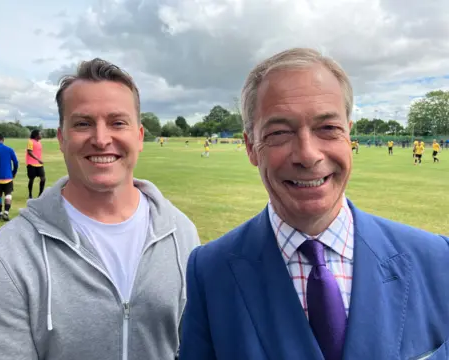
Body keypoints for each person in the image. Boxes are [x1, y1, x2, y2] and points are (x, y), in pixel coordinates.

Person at [179, 48, 449, 360]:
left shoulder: (438, 258)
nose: (308, 155)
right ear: (251, 147)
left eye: (327, 128)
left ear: (348, 135)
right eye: (279, 132)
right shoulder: (210, 272)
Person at [0, 58, 200, 360]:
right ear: (62, 138)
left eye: (118, 122)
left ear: (140, 136)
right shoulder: (10, 256)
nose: (101, 139)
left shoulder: (181, 234)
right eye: (83, 123)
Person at [26, 129, 46, 198]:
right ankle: (30, 194)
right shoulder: (30, 141)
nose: (41, 135)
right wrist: (38, 159)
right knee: (31, 179)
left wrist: (39, 160)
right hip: (31, 164)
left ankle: (40, 194)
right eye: (40, 134)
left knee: (43, 179)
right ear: (36, 135)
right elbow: (30, 152)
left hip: (39, 164)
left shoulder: (39, 142)